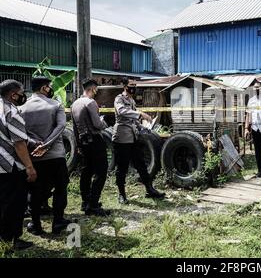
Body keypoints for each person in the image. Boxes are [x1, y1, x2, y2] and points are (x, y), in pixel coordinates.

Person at [20, 77, 71, 235]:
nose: (51, 89)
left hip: (33, 157)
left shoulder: (21, 108)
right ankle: (58, 222)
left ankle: (36, 225)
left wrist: (36, 144)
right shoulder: (55, 105)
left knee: (35, 192)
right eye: (49, 87)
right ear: (44, 88)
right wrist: (47, 144)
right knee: (60, 188)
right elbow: (62, 125)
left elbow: (19, 134)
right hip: (56, 155)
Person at [113, 78, 165, 204]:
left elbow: (134, 121)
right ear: (125, 86)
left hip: (133, 138)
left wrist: (144, 127)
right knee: (122, 167)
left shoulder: (131, 100)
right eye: (131, 85)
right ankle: (122, 194)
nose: (134, 87)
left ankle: (149, 189)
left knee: (141, 164)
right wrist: (140, 113)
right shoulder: (119, 99)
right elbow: (122, 112)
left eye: (135, 85)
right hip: (122, 138)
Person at [0, 80, 37, 250]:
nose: (24, 95)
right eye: (22, 92)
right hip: (11, 166)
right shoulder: (12, 112)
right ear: (13, 94)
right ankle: (10, 240)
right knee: (14, 205)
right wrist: (29, 167)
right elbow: (19, 143)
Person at [71, 79, 110, 216]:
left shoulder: (74, 103)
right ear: (92, 89)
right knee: (101, 171)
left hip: (82, 141)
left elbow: (74, 128)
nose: (96, 92)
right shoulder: (90, 102)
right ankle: (93, 205)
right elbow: (97, 124)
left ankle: (85, 201)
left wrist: (78, 145)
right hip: (94, 140)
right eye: (96, 89)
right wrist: (104, 122)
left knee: (86, 171)